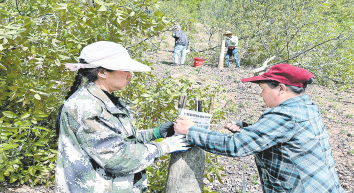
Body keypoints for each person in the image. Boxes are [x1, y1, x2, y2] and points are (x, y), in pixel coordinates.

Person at [174, 64, 345, 193]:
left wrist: (191, 131)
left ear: (281, 88)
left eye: (263, 89)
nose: (261, 94)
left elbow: (235, 146)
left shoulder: (284, 115)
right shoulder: (307, 107)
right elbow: (286, 138)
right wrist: (248, 130)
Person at [55, 41, 189, 193]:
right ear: (102, 72)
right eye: (125, 69)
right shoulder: (86, 107)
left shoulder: (105, 100)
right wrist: (164, 146)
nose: (130, 75)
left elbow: (120, 140)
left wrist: (155, 133)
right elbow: (117, 158)